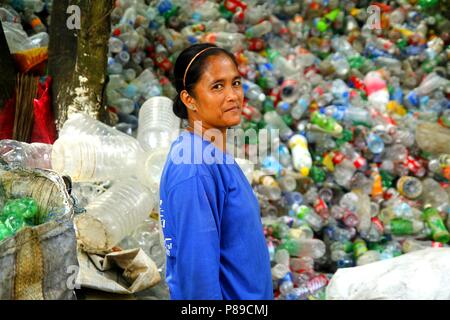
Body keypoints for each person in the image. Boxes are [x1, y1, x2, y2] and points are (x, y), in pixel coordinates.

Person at [159, 43, 273, 300]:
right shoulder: (194, 168)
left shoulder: (212, 155)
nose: (233, 95)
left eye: (235, 83)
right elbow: (197, 278)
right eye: (217, 87)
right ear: (189, 99)